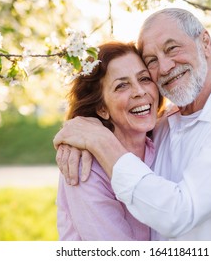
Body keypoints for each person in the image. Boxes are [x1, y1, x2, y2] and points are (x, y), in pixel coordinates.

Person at [53, 8, 211, 241]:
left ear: (205, 42)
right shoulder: (163, 124)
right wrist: (80, 132)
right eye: (152, 61)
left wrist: (99, 141)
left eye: (172, 48)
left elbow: (178, 213)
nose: (164, 68)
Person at [56, 41, 162, 240]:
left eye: (144, 78)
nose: (140, 91)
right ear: (102, 108)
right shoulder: (85, 168)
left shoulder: (162, 138)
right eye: (122, 85)